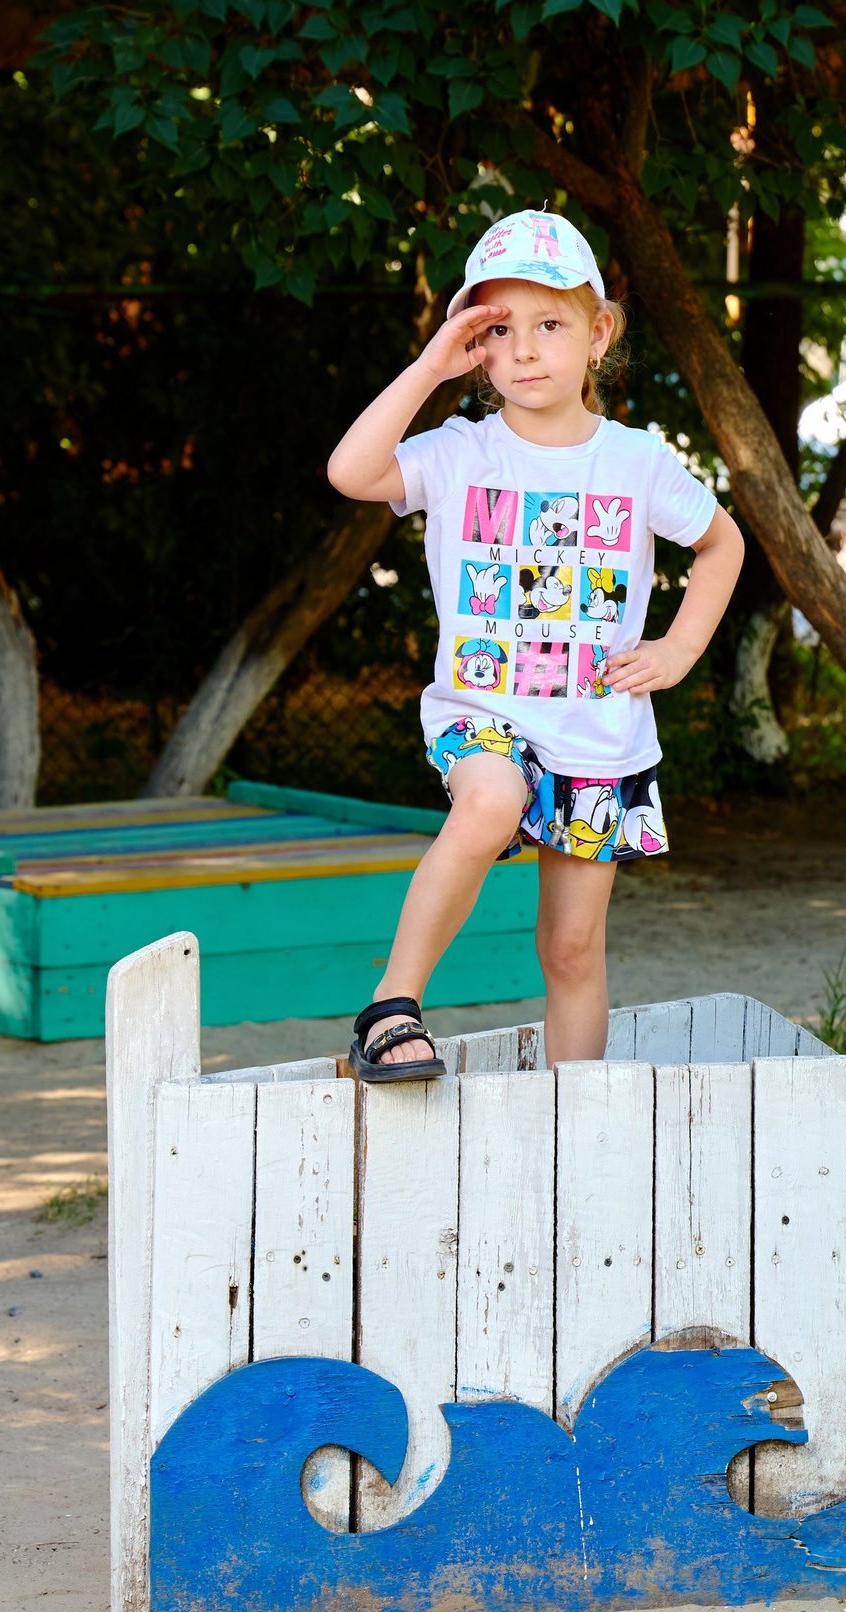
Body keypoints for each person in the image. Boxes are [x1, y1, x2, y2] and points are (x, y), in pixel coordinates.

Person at [325, 209, 744, 1080]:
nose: (523, 350)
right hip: (485, 717)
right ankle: (389, 1008)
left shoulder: (633, 461)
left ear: (598, 336)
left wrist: (679, 649)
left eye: (549, 324)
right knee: (487, 799)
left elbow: (723, 543)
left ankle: (576, 1122)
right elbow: (351, 471)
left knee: (573, 947)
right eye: (497, 329)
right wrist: (429, 366)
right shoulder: (458, 453)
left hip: (599, 737)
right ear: (473, 347)